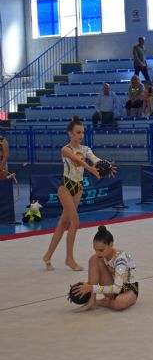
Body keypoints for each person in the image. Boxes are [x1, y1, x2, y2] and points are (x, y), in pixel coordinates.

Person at [42, 116, 115, 271]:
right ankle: (69, 259)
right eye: (78, 132)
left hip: (78, 188)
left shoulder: (86, 149)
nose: (81, 135)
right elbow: (78, 161)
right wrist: (89, 168)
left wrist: (106, 165)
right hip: (65, 187)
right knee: (75, 222)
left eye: (82, 132)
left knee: (63, 223)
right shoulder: (65, 149)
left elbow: (94, 159)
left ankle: (47, 256)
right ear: (70, 133)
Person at [70, 226, 138, 311]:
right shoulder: (100, 256)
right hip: (112, 287)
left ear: (111, 244)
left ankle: (102, 302)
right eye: (96, 250)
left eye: (101, 250)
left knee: (118, 304)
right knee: (94, 259)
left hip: (128, 290)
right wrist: (86, 284)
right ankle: (92, 300)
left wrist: (91, 287)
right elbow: (104, 276)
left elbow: (117, 289)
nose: (98, 253)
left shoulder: (121, 260)